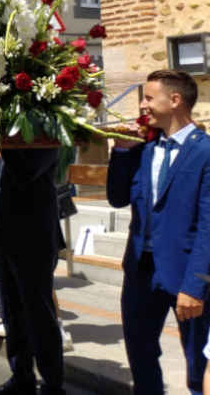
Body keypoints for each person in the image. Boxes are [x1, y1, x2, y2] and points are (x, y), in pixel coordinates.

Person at [109, 69, 209, 395]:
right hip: (140, 272)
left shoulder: (205, 152)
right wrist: (122, 150)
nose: (142, 104)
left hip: (186, 275)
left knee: (198, 364)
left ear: (175, 100)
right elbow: (117, 197)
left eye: (149, 97)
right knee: (140, 354)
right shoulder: (144, 148)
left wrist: (195, 285)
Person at [0, 144, 66, 395]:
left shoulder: (40, 133)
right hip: (2, 237)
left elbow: (27, 170)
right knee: (11, 313)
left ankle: (52, 383)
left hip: (33, 238)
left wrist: (8, 141)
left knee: (38, 314)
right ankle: (21, 377)